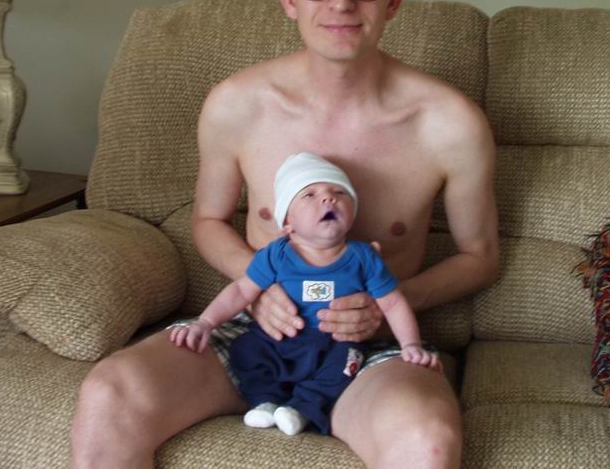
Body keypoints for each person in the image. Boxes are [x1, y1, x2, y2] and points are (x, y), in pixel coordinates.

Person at [71, 0, 499, 469]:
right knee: (109, 393)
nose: (341, 0)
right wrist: (258, 285)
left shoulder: (450, 124)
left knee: (427, 443)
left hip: (370, 350)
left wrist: (389, 305)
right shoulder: (237, 104)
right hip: (253, 330)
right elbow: (207, 220)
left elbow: (480, 257)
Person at [170, 151, 440, 436]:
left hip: (335, 342)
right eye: (309, 195)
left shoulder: (363, 258)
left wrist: (410, 345)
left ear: (353, 213)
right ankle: (265, 401)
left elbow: (393, 303)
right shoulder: (276, 254)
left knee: (348, 361)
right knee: (245, 349)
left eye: (339, 192)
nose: (328, 199)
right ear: (287, 223)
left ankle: (304, 408)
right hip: (279, 339)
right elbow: (240, 290)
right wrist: (206, 322)